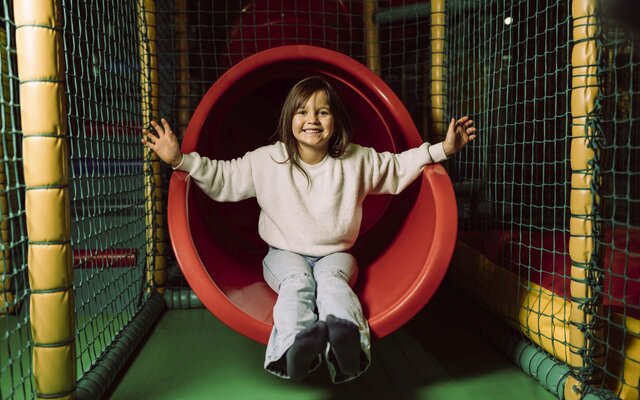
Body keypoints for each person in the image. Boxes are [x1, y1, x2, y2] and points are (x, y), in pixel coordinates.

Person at [142, 76, 476, 383]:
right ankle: (293, 349)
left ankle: (345, 343)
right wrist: (178, 160)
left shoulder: (354, 160)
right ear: (289, 120)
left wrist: (442, 149)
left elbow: (397, 165)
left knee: (333, 285)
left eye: (322, 112)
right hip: (284, 254)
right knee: (297, 284)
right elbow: (223, 177)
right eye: (301, 112)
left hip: (336, 254)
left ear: (336, 121)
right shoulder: (269, 160)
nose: (312, 119)